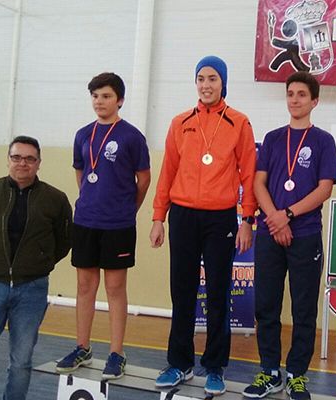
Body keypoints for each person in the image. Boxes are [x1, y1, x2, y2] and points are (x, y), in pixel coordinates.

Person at [150, 55, 257, 395]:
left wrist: (247, 220)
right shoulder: (180, 122)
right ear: (195, 83)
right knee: (181, 292)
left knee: (217, 294)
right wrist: (158, 216)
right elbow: (168, 171)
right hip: (182, 214)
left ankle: (214, 367)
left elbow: (249, 174)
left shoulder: (238, 123)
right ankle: (180, 363)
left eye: (212, 78)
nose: (206, 85)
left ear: (223, 82)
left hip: (220, 217)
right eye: (201, 78)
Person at [242, 71, 336, 400]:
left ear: (314, 101)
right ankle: (269, 371)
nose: (294, 99)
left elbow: (325, 188)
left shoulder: (323, 140)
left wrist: (288, 215)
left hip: (305, 233)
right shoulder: (272, 138)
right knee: (266, 305)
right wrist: (273, 218)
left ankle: (297, 374)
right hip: (271, 231)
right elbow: (258, 183)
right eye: (290, 94)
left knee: (303, 309)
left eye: (301, 94)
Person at [0, 136, 72, 400]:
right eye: (17, 157)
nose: (23, 163)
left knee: (21, 363)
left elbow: (64, 241)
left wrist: (38, 263)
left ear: (39, 163)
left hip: (31, 292)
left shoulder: (55, 199)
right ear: (8, 159)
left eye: (30, 159)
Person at [56, 72, 151, 380]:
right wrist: (90, 201)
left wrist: (127, 209)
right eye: (95, 96)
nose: (100, 101)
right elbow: (81, 173)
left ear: (119, 100)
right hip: (85, 221)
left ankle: (116, 353)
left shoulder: (132, 137)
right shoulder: (83, 134)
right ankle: (82, 347)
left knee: (114, 288)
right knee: (85, 286)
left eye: (106, 96)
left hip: (118, 224)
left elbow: (144, 179)